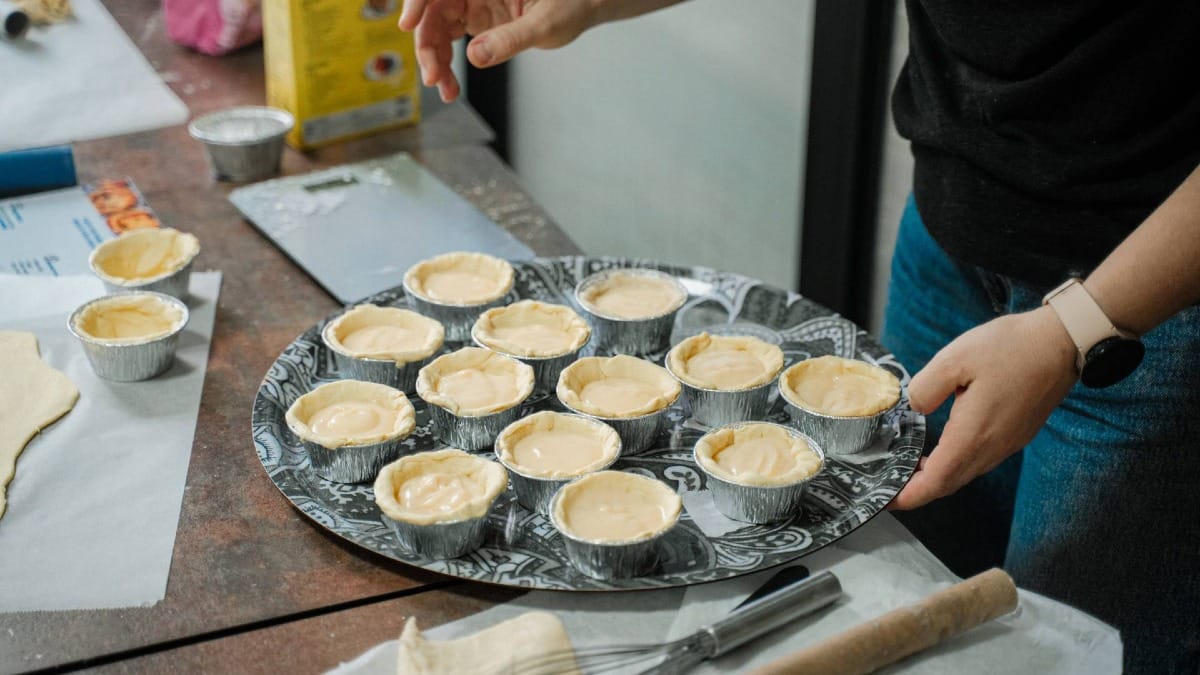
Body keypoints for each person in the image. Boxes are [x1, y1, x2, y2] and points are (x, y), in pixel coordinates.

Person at [399, 1, 1200, 671]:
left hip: (1146, 307)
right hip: (950, 242)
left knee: (1076, 652)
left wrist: (1076, 327)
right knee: (921, 609)